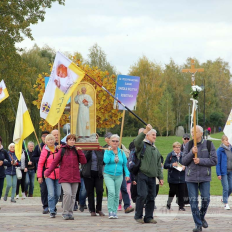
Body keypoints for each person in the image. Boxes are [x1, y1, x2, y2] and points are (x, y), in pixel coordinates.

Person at [182, 125, 217, 232]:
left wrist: (200, 161)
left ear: (201, 133)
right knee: (193, 202)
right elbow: (183, 161)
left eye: (195, 132)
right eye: (192, 132)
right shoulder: (188, 145)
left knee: (206, 199)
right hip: (191, 177)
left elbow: (214, 161)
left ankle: (201, 217)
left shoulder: (209, 144)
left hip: (204, 177)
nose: (193, 134)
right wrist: (192, 152)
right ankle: (198, 224)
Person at [45, 134, 87, 220]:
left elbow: (83, 161)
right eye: (70, 139)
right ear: (67, 141)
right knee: (67, 194)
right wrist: (48, 172)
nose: (72, 141)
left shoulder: (76, 150)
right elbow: (55, 162)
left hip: (75, 176)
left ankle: (70, 213)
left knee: (73, 196)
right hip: (65, 176)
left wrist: (80, 152)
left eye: (73, 140)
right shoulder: (63, 150)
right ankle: (65, 212)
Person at [134, 124, 163, 224]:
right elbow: (136, 141)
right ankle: (138, 216)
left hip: (152, 176)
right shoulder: (142, 145)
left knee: (151, 197)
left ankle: (149, 217)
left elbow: (159, 165)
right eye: (153, 135)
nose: (154, 137)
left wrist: (161, 177)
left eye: (155, 135)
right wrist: (145, 131)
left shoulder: (156, 149)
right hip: (142, 174)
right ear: (147, 136)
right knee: (142, 195)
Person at [103, 134, 130, 219]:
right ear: (110, 142)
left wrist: (127, 174)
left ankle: (114, 211)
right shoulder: (107, 151)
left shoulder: (121, 152)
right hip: (108, 175)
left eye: (116, 141)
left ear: (119, 142)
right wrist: (110, 152)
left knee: (117, 194)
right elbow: (106, 161)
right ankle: (110, 210)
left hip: (119, 175)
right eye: (113, 141)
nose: (115, 143)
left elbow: (125, 164)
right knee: (111, 192)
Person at [37, 134, 61, 218]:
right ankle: (52, 210)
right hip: (48, 174)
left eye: (52, 139)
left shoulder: (59, 150)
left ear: (54, 140)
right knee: (51, 194)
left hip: (58, 174)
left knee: (58, 194)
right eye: (49, 140)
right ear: (46, 142)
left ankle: (53, 206)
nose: (51, 141)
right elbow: (40, 164)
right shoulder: (45, 151)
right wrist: (39, 176)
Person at [82, 134, 105, 216]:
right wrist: (90, 150)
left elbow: (104, 161)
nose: (95, 140)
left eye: (96, 139)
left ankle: (99, 209)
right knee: (90, 192)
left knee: (100, 191)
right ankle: (92, 210)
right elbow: (84, 159)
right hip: (88, 173)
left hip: (98, 173)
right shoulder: (85, 148)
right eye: (93, 139)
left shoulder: (101, 149)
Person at [164, 142, 186, 211]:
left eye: (179, 147)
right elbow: (165, 165)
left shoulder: (183, 155)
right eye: (176, 147)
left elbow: (187, 164)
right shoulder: (170, 155)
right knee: (172, 191)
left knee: (181, 192)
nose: (178, 149)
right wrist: (172, 165)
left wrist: (185, 167)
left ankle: (181, 206)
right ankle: (168, 203)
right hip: (173, 177)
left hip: (182, 177)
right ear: (173, 148)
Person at [32, 130, 50, 214]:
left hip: (51, 172)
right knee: (43, 190)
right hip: (42, 172)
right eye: (44, 136)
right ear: (41, 138)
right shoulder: (38, 147)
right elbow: (33, 158)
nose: (45, 137)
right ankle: (45, 206)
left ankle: (52, 205)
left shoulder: (53, 146)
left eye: (47, 136)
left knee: (52, 191)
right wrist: (41, 158)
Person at [216, 135, 232, 210]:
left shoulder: (231, 149)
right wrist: (218, 173)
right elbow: (218, 163)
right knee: (226, 187)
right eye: (226, 140)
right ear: (222, 141)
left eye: (228, 140)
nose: (227, 141)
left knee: (231, 187)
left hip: (230, 171)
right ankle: (226, 203)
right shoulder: (220, 150)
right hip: (223, 172)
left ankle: (224, 198)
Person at [181, 133, 190, 205]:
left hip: (189, 168)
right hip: (181, 169)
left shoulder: (192, 147)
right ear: (182, 139)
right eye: (185, 139)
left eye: (188, 139)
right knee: (182, 185)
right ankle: (182, 200)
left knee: (189, 184)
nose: (186, 140)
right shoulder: (179, 147)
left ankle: (188, 200)